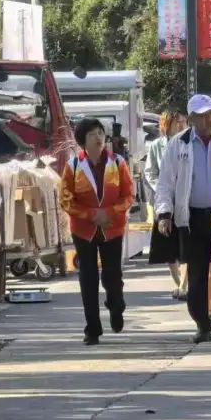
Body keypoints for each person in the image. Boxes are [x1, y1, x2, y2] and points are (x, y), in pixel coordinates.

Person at [154, 94, 211, 344]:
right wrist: (164, 213)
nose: (209, 119)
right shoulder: (179, 144)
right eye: (202, 115)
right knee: (198, 274)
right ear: (191, 119)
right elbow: (165, 183)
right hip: (192, 219)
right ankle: (203, 324)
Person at [58, 117, 135, 345]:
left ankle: (116, 305)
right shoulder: (73, 166)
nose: (99, 138)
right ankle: (92, 328)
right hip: (84, 230)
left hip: (112, 227)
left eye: (101, 133)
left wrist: (109, 213)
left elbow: (128, 195)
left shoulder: (118, 163)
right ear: (83, 140)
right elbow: (65, 199)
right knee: (88, 278)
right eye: (92, 134)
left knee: (112, 276)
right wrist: (93, 215)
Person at [144, 109, 188, 299]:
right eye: (176, 121)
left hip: (185, 201)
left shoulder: (188, 143)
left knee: (187, 246)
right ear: (166, 124)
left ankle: (185, 286)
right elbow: (150, 172)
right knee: (168, 248)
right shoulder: (156, 146)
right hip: (164, 202)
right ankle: (177, 282)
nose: (180, 125)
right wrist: (161, 187)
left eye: (183, 121)